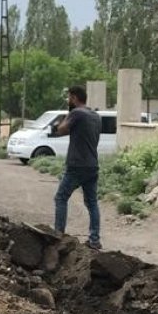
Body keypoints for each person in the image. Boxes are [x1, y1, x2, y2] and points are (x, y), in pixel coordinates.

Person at [49, 85, 102, 250]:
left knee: (60, 198)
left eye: (69, 98)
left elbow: (61, 129)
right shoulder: (95, 116)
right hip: (92, 165)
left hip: (77, 164)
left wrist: (66, 116)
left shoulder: (76, 113)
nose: (68, 101)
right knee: (92, 203)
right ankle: (94, 240)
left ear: (74, 98)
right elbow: (72, 132)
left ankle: (58, 235)